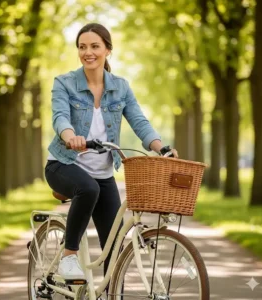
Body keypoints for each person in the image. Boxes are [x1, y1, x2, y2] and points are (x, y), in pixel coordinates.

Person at [45, 23, 178, 282]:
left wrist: (161, 147)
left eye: (95, 46)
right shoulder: (64, 83)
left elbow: (139, 121)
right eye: (82, 47)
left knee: (114, 247)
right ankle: (69, 256)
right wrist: (71, 137)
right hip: (63, 164)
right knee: (88, 189)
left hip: (103, 174)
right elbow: (60, 116)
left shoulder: (121, 87)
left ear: (107, 50)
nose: (88, 52)